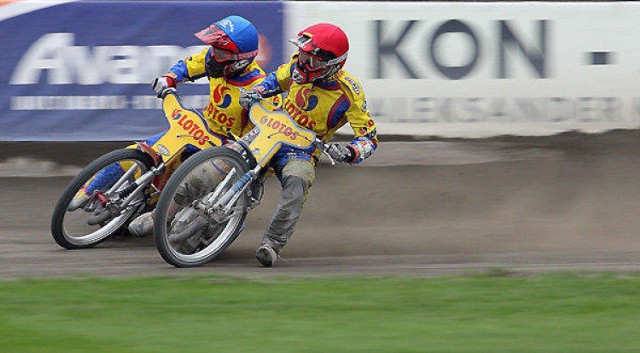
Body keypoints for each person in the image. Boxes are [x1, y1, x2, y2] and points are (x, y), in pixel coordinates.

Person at [68, 15, 268, 237]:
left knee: (198, 191)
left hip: (227, 148)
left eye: (220, 51)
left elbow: (266, 130)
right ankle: (88, 189)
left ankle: (167, 220)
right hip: (199, 127)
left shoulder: (260, 89)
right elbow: (188, 66)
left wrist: (241, 149)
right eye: (212, 48)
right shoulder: (215, 60)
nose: (212, 55)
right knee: (144, 149)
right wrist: (170, 78)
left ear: (240, 59)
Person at [239, 23, 379, 267]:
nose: (303, 64)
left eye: (311, 61)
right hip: (271, 129)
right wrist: (258, 90)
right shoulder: (297, 63)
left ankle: (272, 243)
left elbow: (369, 137)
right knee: (225, 157)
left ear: (332, 65)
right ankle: (164, 213)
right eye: (303, 55)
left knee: (297, 182)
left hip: (302, 150)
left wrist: (350, 151)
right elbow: (275, 79)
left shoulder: (350, 93)